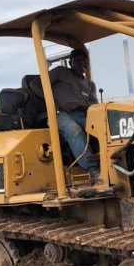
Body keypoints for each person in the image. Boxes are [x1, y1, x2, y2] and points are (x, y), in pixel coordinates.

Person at [32, 49, 100, 183]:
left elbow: (94, 106)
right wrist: (53, 102)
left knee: (104, 129)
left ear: (87, 63)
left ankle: (109, 163)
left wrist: (78, 105)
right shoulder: (61, 72)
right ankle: (93, 170)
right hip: (60, 114)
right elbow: (35, 84)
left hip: (84, 115)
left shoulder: (90, 85)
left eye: (83, 60)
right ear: (70, 62)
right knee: (74, 131)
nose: (80, 62)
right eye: (77, 60)